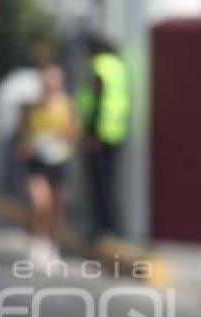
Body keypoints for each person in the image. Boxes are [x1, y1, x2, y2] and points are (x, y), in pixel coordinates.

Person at [16, 63, 80, 267]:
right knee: (40, 202)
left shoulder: (68, 106)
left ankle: (53, 245)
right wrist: (28, 145)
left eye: (54, 78)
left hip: (59, 160)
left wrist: (62, 136)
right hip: (37, 161)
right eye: (47, 78)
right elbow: (22, 135)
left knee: (56, 207)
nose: (50, 83)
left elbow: (73, 133)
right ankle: (38, 242)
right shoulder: (32, 107)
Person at [77, 35, 130, 242]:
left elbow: (98, 100)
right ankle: (112, 225)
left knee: (99, 185)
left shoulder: (98, 66)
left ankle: (101, 227)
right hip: (116, 131)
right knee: (110, 182)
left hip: (99, 133)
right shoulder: (118, 66)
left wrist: (92, 132)